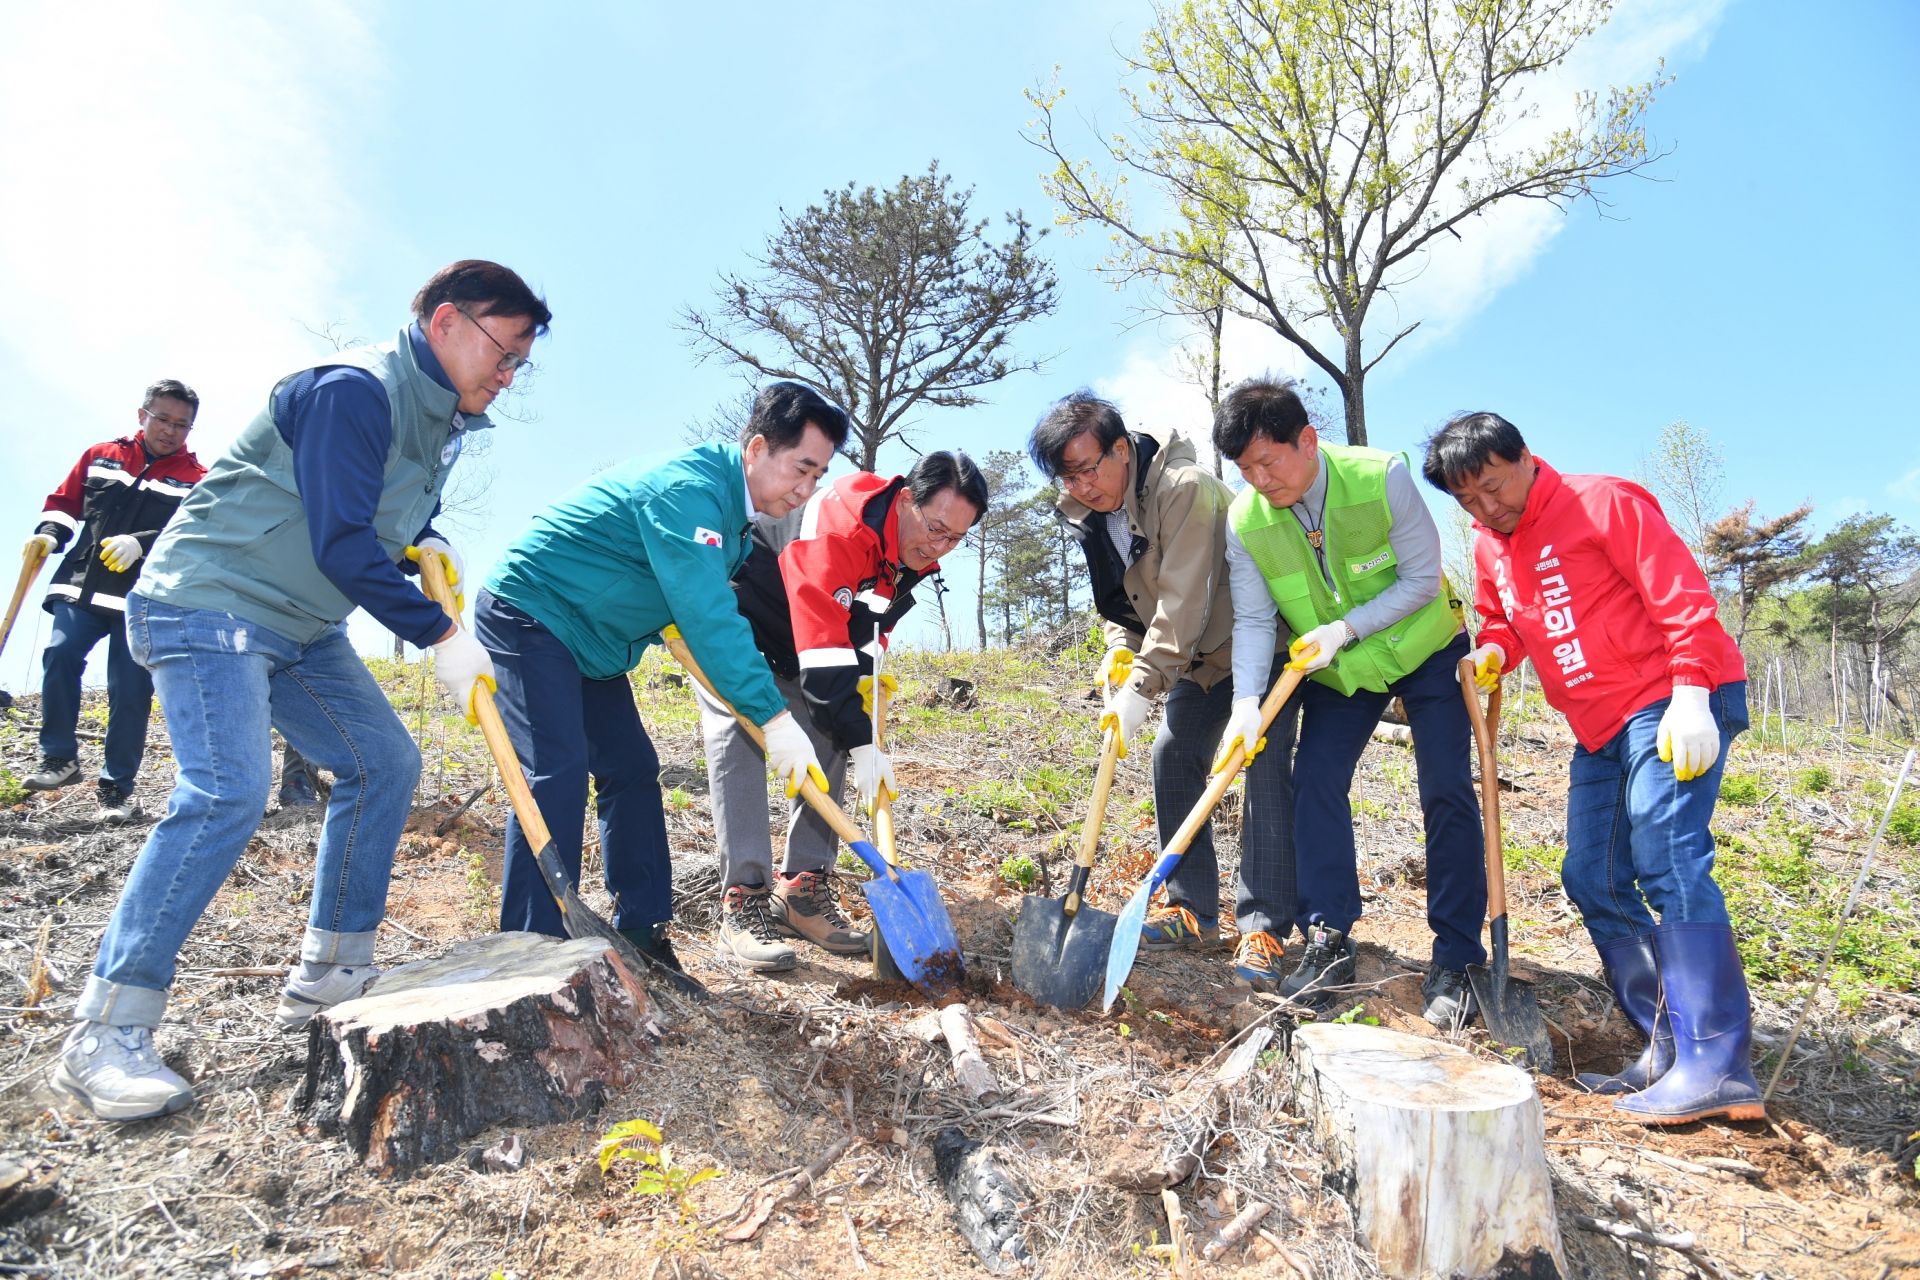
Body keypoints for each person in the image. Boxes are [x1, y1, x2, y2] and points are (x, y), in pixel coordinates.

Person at [52, 261, 547, 1122]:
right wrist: (441, 635)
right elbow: (340, 539)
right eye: (504, 353)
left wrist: (426, 540)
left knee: (384, 762)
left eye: (519, 364)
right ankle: (106, 1028)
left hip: (299, 624)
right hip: (209, 599)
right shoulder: (352, 389)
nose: (508, 376)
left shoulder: (438, 419)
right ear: (445, 323)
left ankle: (332, 973)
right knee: (228, 790)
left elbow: (379, 511)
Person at [1422, 412, 1760, 1124]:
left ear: (1524, 458)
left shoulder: (1602, 502)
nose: (1486, 508)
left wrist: (1694, 690)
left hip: (1670, 697)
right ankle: (1666, 1042)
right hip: (1600, 724)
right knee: (1593, 875)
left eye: (1492, 486)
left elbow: (1682, 596)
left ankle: (1717, 1061)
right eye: (1468, 501)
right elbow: (1506, 620)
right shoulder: (1490, 546)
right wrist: (1495, 654)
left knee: (1666, 852)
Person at [477, 382, 845, 975]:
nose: (806, 490)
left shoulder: (732, 513)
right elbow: (707, 616)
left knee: (632, 770)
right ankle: (531, 949)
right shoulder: (691, 492)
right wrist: (774, 718)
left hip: (592, 643)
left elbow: (690, 606)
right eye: (800, 469)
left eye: (818, 476)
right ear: (756, 448)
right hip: (532, 612)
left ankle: (643, 932)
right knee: (558, 768)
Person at [1214, 378, 1485, 1020]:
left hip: (1426, 648)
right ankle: (1329, 937)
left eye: (1268, 461)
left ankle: (1455, 956)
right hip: (1340, 673)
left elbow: (1422, 579)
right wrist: (1246, 703)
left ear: (1307, 441)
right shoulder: (1246, 520)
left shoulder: (1381, 476)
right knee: (1314, 779)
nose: (1259, 480)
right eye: (1245, 469)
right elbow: (1253, 620)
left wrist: (1346, 628)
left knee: (1445, 787)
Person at [1028, 392, 1299, 990]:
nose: (1082, 485)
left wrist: (1142, 686)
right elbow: (1123, 598)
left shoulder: (1184, 488)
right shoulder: (1090, 511)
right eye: (1068, 476)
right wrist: (1118, 651)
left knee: (1261, 768)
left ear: (1121, 449)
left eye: (1090, 467)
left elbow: (1184, 602)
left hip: (1258, 648)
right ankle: (1191, 910)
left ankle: (1265, 929)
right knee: (1171, 753)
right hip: (1194, 660)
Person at [700, 450, 988, 971]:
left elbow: (865, 625)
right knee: (743, 739)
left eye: (956, 538)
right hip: (742, 623)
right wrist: (856, 727)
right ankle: (743, 899)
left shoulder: (914, 547)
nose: (940, 547)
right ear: (905, 501)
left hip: (806, 641)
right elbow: (824, 653)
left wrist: (866, 683)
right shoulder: (840, 526)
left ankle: (801, 892)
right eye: (936, 528)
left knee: (831, 734)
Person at [22, 380, 206, 822]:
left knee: (131, 689)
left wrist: (142, 543)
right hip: (81, 585)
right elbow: (64, 504)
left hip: (145, 601)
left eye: (182, 425)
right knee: (60, 653)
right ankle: (59, 758)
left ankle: (117, 789)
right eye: (163, 419)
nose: (171, 431)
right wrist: (48, 535)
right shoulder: (102, 456)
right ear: (142, 415)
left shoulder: (197, 480)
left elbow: (194, 535)